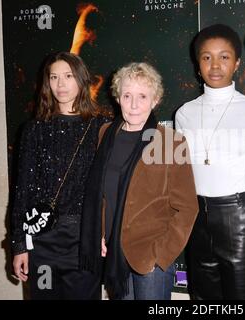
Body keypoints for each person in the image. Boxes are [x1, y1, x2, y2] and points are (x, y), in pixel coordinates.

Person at [79, 62, 198, 300]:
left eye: (142, 96)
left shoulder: (170, 142)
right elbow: (102, 193)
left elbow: (187, 207)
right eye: (127, 95)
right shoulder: (106, 134)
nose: (134, 105)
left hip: (150, 258)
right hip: (115, 255)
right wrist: (102, 232)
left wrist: (161, 254)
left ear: (155, 100)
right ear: (117, 98)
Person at [175, 24, 245, 300]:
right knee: (203, 296)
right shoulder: (184, 114)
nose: (215, 65)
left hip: (240, 219)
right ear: (197, 63)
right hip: (197, 217)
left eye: (224, 57)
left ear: (237, 63)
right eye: (206, 57)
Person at [10, 52, 110, 299]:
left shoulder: (102, 127)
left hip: (85, 241)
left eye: (68, 76)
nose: (61, 84)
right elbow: (22, 191)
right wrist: (19, 245)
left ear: (81, 79)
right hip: (43, 241)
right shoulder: (34, 130)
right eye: (54, 77)